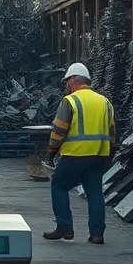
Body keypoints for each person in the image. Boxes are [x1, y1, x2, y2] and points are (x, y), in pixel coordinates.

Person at [44, 62, 115, 244]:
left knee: (59, 186)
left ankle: (65, 227)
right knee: (95, 193)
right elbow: (112, 132)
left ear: (74, 81)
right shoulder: (104, 102)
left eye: (68, 81)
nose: (67, 86)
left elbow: (59, 130)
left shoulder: (70, 101)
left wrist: (52, 152)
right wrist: (109, 155)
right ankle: (97, 234)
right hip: (98, 155)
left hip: (74, 155)